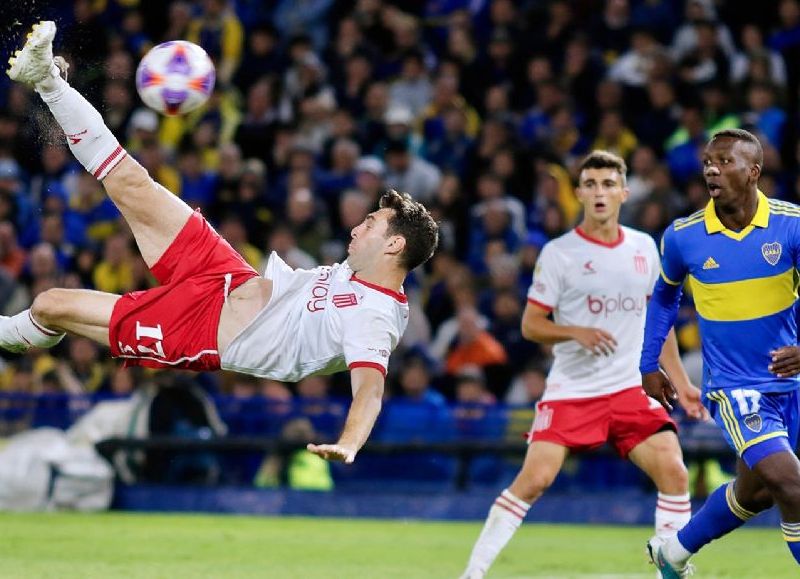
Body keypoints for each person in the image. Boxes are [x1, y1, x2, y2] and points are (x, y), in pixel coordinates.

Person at [4, 21, 438, 465]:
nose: (356, 229)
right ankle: (46, 80)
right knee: (131, 181)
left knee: (51, 304)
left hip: (203, 330)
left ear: (393, 246)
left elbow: (369, 392)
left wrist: (349, 443)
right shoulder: (357, 270)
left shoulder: (375, 317)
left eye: (370, 224)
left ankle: (9, 337)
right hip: (225, 273)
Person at [460, 150, 705, 579]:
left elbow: (659, 324)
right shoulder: (560, 254)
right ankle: (473, 573)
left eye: (609, 184)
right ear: (577, 193)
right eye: (590, 184)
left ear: (624, 193)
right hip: (573, 389)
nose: (599, 192)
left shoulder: (644, 247)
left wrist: (681, 382)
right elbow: (531, 324)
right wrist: (575, 331)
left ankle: (671, 567)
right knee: (534, 480)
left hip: (630, 387)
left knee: (674, 470)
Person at [641, 128, 800, 577]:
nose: (712, 168)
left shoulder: (791, 224)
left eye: (725, 161)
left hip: (790, 384)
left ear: (753, 172)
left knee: (756, 493)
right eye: (708, 161)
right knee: (792, 485)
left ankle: (671, 553)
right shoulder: (683, 236)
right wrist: (648, 364)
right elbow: (665, 297)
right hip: (736, 387)